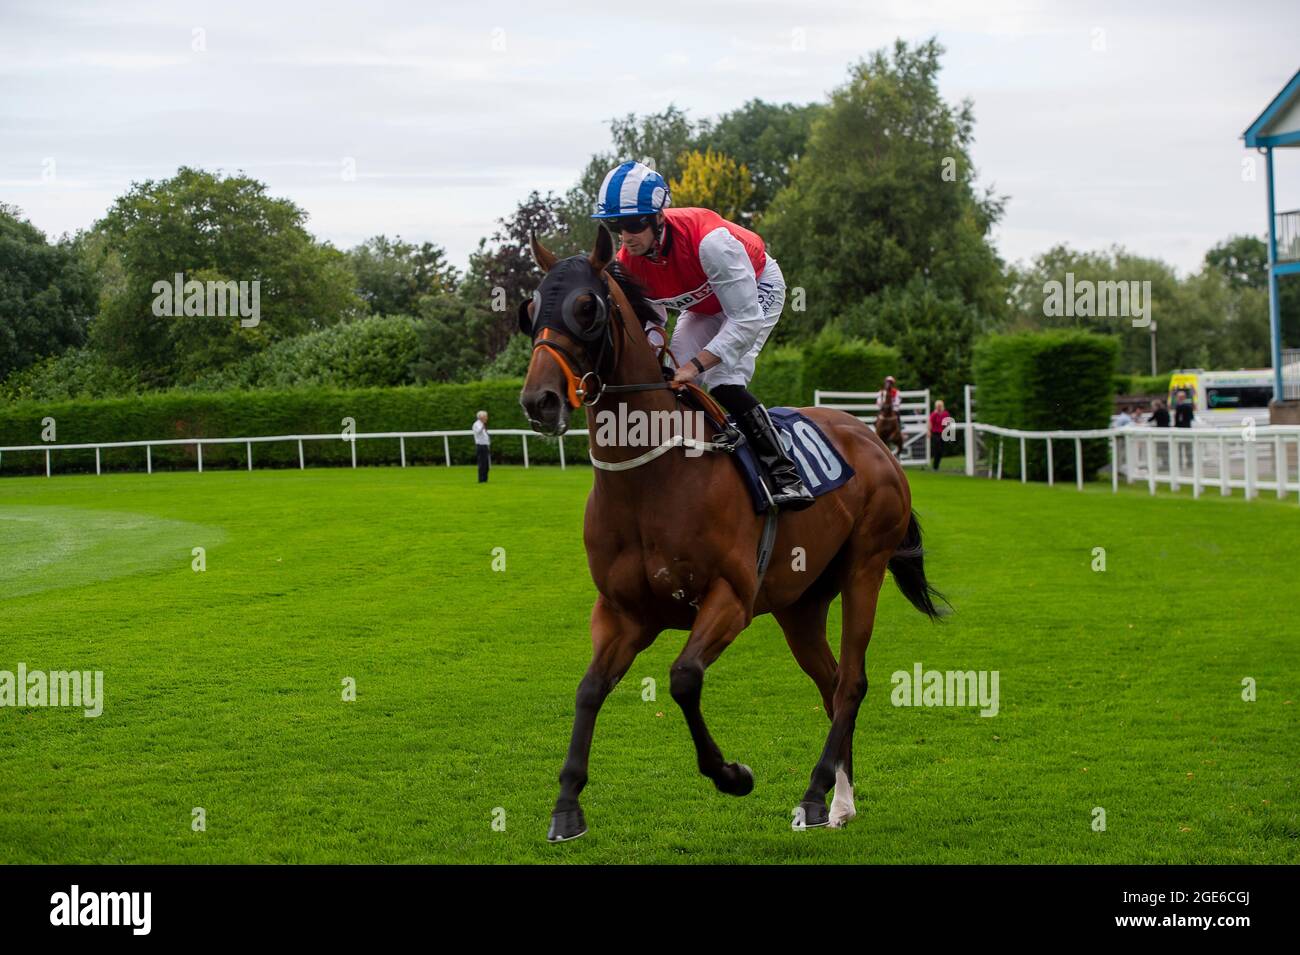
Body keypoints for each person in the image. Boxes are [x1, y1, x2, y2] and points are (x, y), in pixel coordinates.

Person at [592, 160, 813, 509]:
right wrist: (656, 361)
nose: (626, 236)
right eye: (616, 225)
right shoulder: (628, 260)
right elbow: (651, 322)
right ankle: (691, 457)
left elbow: (744, 321)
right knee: (670, 374)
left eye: (633, 224)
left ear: (658, 218)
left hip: (755, 290)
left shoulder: (712, 243)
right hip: (705, 303)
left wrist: (695, 366)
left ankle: (784, 474)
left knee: (722, 379)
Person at [929, 399, 953, 470]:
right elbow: (930, 422)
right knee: (937, 449)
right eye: (937, 406)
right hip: (935, 433)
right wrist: (929, 431)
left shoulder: (945, 413)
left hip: (943, 433)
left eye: (940, 406)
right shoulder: (934, 414)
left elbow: (949, 422)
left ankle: (937, 465)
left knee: (941, 451)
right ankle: (935, 466)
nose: (938, 407)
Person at [472, 410, 490, 483]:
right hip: (480, 446)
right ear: (481, 417)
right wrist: (483, 425)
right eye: (485, 417)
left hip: (485, 446)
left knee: (486, 464)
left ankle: (485, 479)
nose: (487, 418)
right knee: (482, 463)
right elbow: (478, 432)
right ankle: (481, 479)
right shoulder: (476, 424)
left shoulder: (482, 424)